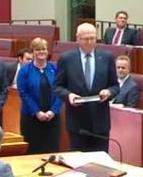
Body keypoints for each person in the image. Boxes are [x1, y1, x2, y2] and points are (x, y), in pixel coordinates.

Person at [54, 23, 119, 152]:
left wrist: (109, 92)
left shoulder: (107, 57)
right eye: (86, 39)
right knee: (79, 164)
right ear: (77, 39)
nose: (89, 42)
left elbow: (115, 86)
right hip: (77, 123)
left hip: (100, 123)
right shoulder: (67, 59)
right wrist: (69, 96)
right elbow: (57, 87)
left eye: (92, 38)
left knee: (101, 165)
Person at [17, 38, 61, 154]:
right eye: (38, 49)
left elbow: (60, 91)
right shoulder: (25, 70)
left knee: (52, 150)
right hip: (31, 118)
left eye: (44, 49)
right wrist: (37, 112)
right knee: (33, 151)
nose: (41, 52)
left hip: (52, 118)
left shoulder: (55, 69)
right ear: (33, 52)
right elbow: (23, 93)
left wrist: (53, 111)